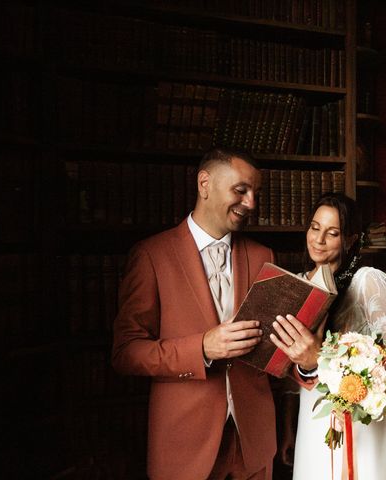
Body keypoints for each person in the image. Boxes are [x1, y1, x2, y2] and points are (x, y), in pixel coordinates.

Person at [112, 147, 276, 480]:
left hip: (254, 444)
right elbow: (125, 353)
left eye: (255, 194)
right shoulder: (151, 255)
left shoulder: (263, 256)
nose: (251, 204)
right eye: (241, 190)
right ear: (204, 184)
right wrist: (201, 348)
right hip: (184, 447)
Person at [270, 192, 386, 480]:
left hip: (364, 421)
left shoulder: (368, 281)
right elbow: (290, 373)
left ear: (350, 239)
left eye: (332, 233)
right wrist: (287, 427)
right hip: (313, 416)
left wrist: (327, 364)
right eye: (314, 228)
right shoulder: (298, 285)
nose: (319, 239)